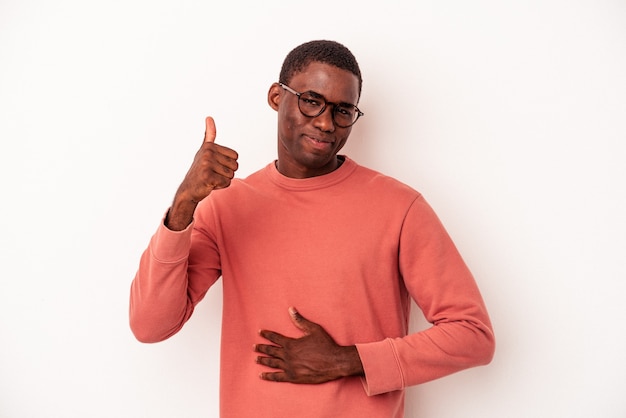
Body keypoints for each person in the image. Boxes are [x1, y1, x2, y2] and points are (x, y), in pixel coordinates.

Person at [129, 40, 495, 418]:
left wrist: (349, 360)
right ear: (276, 96)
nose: (325, 122)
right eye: (311, 100)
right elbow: (150, 325)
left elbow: (473, 335)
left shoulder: (399, 207)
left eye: (343, 110)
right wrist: (184, 205)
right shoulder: (227, 207)